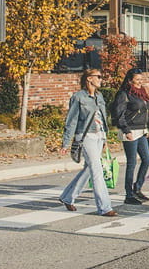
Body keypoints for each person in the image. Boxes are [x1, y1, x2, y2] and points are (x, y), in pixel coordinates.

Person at [59, 69, 116, 217]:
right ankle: (105, 207)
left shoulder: (99, 96)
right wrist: (66, 143)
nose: (101, 79)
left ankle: (67, 197)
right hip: (86, 137)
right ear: (89, 79)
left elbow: (102, 118)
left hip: (99, 136)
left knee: (89, 169)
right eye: (99, 77)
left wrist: (105, 138)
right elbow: (71, 121)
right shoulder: (78, 97)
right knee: (96, 171)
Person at [114, 68, 149, 205]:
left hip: (141, 131)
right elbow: (118, 114)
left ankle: (137, 188)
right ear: (130, 80)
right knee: (132, 163)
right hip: (130, 131)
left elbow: (146, 116)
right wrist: (125, 130)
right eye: (137, 79)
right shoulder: (124, 94)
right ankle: (129, 195)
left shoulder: (142, 94)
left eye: (141, 78)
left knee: (147, 159)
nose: (140, 81)